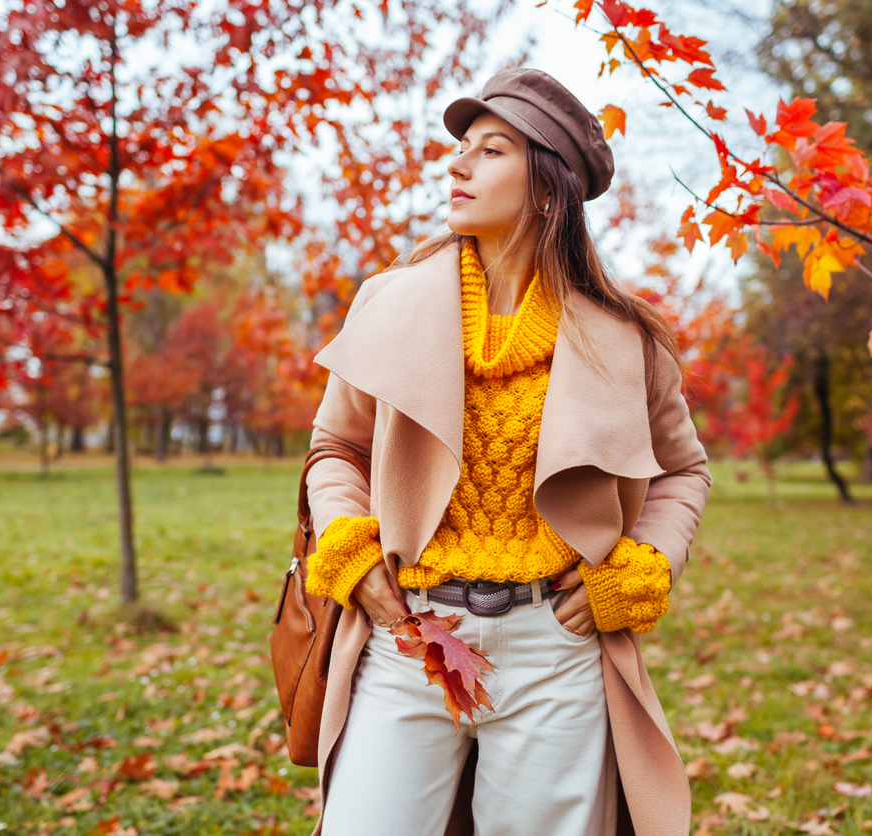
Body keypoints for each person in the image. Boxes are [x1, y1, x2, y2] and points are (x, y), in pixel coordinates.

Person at [301, 67, 710, 836]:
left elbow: (683, 470)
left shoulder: (626, 338)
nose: (456, 165)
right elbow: (336, 449)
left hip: (552, 648)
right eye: (461, 148)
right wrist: (350, 550)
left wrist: (643, 566)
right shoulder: (388, 302)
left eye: (490, 151)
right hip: (407, 637)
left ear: (549, 187)